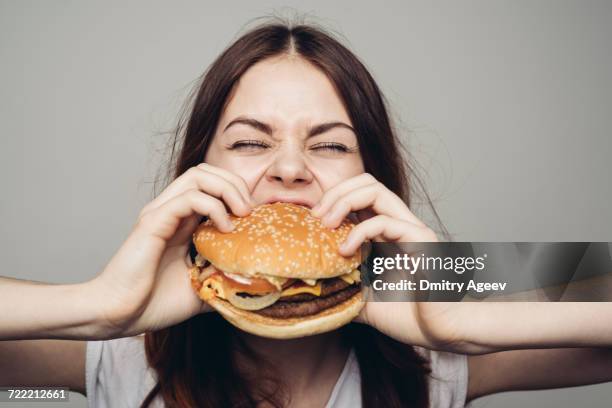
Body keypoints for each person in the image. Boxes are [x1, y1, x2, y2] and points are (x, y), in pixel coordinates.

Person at [1, 21, 612, 408]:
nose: (289, 168)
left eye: (330, 144)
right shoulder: (120, 354)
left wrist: (452, 295)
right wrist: (97, 306)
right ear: (195, 173)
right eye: (248, 141)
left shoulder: (437, 359)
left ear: (374, 181)